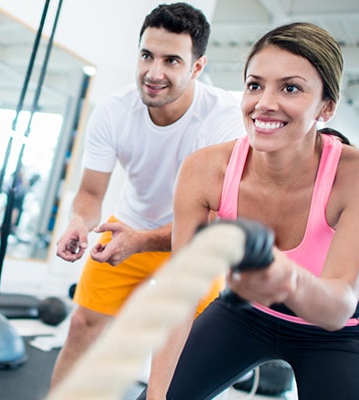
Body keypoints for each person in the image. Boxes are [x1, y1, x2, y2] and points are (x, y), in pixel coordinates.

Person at [140, 22, 359, 399]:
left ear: (326, 107)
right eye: (255, 85)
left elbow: (337, 308)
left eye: (290, 88)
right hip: (244, 315)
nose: (264, 103)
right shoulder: (204, 170)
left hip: (335, 335)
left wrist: (284, 275)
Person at [50, 2, 244, 390]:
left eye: (172, 60)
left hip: (194, 242)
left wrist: (142, 243)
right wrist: (79, 221)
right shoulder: (113, 112)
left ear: (197, 67)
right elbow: (90, 194)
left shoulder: (224, 119)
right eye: (146, 55)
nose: (154, 73)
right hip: (130, 225)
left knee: (182, 353)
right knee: (82, 326)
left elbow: (214, 218)